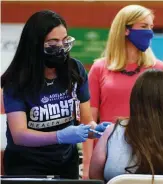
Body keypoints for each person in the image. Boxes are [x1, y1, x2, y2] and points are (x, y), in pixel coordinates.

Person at [1, 10, 109, 179]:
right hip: (26, 166)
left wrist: (97, 130)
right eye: (53, 42)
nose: (61, 47)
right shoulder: (16, 80)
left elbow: (87, 121)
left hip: (66, 163)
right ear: (35, 44)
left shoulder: (75, 70)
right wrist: (59, 136)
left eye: (64, 40)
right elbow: (20, 134)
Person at [84, 5, 163, 179]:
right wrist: (87, 166)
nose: (150, 33)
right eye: (144, 27)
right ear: (125, 29)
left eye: (151, 27)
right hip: (109, 153)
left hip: (151, 151)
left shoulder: (159, 69)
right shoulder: (99, 68)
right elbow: (88, 121)